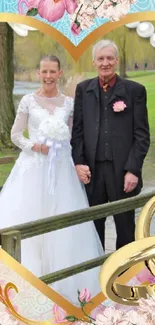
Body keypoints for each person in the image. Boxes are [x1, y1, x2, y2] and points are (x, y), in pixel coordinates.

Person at [0, 55, 104, 304]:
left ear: (59, 73)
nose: (48, 76)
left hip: (61, 171)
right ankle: (26, 282)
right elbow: (15, 135)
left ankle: (65, 283)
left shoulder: (69, 103)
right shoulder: (28, 101)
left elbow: (73, 136)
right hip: (33, 169)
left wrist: (64, 148)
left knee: (64, 225)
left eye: (52, 72)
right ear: (38, 73)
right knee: (29, 220)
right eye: (44, 71)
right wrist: (34, 145)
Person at [71, 40, 150, 251]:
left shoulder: (135, 91)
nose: (105, 63)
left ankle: (124, 277)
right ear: (94, 61)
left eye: (109, 58)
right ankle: (95, 277)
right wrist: (79, 163)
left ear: (116, 60)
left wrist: (133, 170)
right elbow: (77, 131)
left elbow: (142, 135)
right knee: (92, 229)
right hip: (91, 173)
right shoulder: (83, 90)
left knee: (125, 229)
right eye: (100, 58)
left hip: (123, 173)